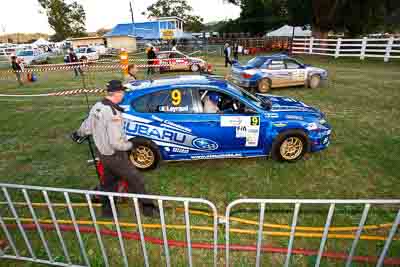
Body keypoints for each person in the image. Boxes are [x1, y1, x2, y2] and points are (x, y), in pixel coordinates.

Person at [72, 80, 157, 218]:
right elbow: (116, 143)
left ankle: (107, 211)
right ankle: (149, 210)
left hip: (103, 154)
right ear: (118, 93)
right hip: (115, 155)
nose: (123, 94)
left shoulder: (97, 106)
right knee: (136, 180)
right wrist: (131, 145)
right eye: (122, 92)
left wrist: (78, 133)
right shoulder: (112, 113)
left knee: (109, 184)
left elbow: (87, 126)